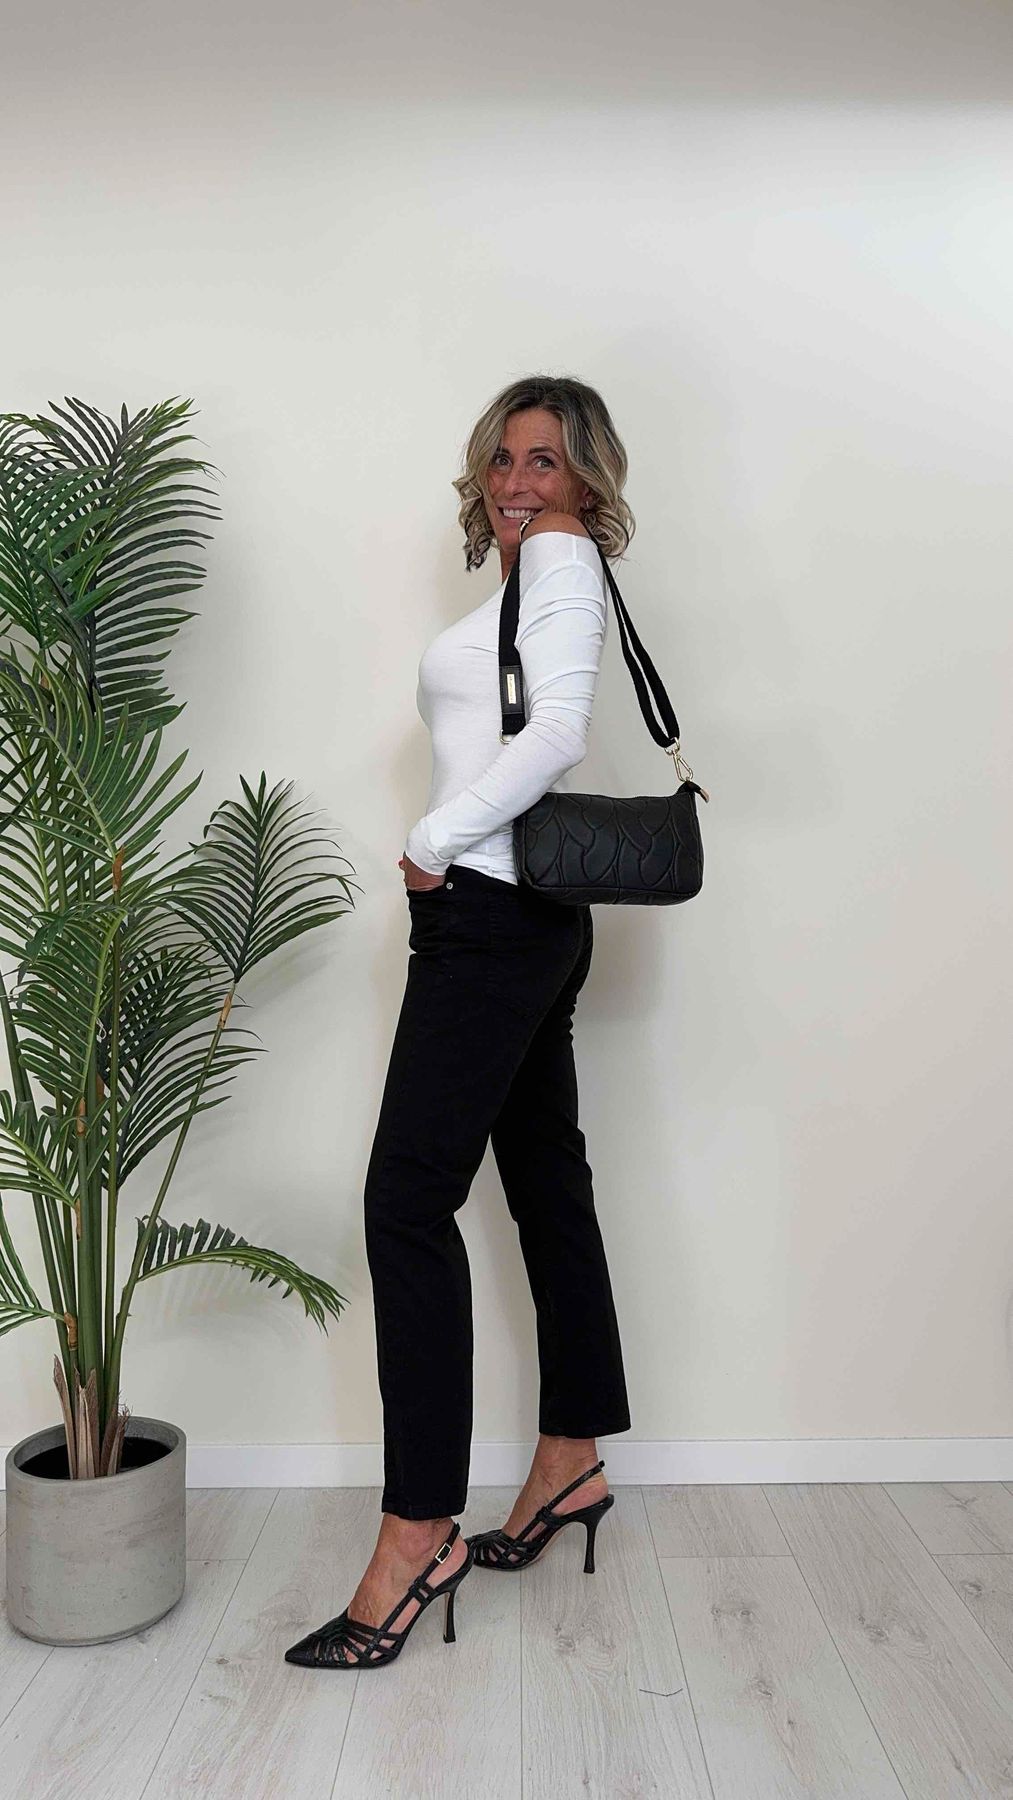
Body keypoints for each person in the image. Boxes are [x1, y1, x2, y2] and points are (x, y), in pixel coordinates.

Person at [286, 374, 633, 1672]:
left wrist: (433, 838)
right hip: (522, 917)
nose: (518, 481)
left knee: (405, 1202)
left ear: (586, 476)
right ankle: (571, 1456)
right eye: (502, 459)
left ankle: (415, 1533)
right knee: (545, 1179)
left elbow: (559, 730)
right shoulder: (529, 578)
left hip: (489, 919)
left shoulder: (561, 562)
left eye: (545, 459)